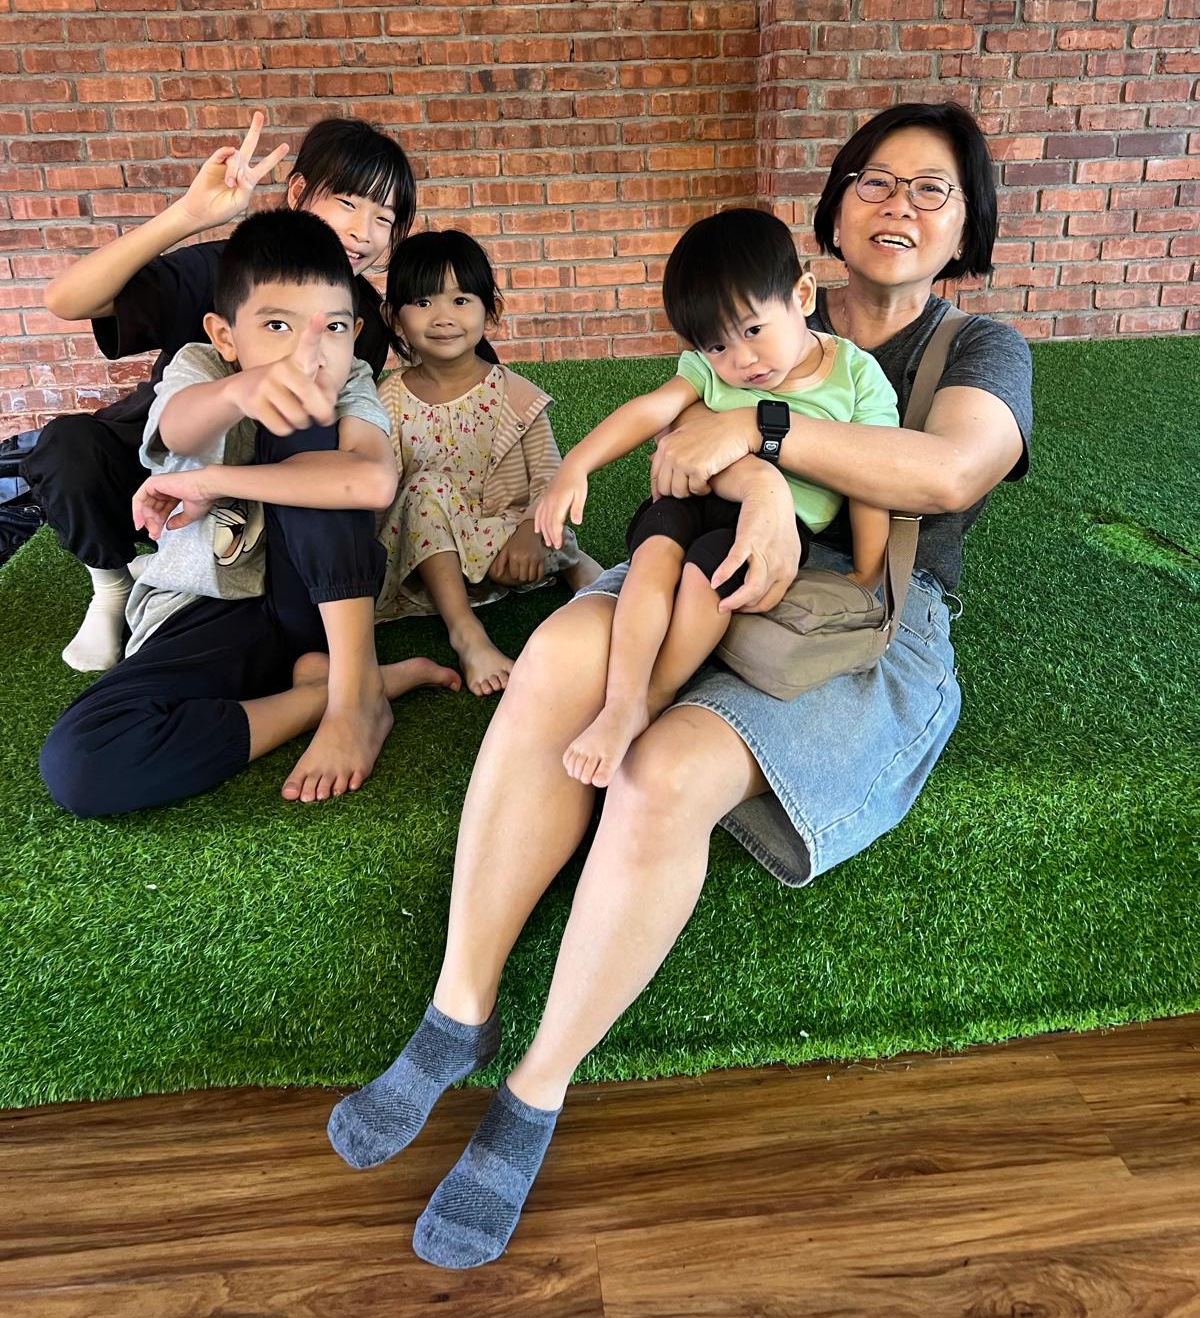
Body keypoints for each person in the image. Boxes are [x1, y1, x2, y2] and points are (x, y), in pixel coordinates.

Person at [324, 100, 1034, 1270]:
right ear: (830, 215)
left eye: (932, 189)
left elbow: (948, 472)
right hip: (702, 563)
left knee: (662, 772)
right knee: (559, 653)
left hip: (857, 617)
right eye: (874, 179)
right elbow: (670, 437)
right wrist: (730, 470)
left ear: (969, 222)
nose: (899, 205)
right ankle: (458, 1011)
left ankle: (534, 1091)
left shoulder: (977, 349)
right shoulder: (742, 314)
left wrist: (762, 440)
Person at [38, 209, 460, 819]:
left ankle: (353, 702)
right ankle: (333, 692)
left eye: (333, 327)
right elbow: (179, 429)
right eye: (277, 325)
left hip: (314, 603)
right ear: (225, 335)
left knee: (311, 431)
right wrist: (242, 391)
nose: (307, 354)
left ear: (356, 331)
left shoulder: (350, 380)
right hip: (204, 613)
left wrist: (212, 481)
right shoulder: (200, 367)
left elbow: (370, 481)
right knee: (81, 761)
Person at [23, 112, 415, 674]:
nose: (363, 232)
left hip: (266, 480)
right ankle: (112, 586)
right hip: (169, 457)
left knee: (315, 439)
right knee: (67, 447)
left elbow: (357, 451)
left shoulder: (360, 320)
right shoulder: (228, 269)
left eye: (384, 218)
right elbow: (66, 300)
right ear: (298, 193)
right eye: (348, 203)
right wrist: (188, 215)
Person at [534, 207, 898, 786]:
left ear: (803, 295)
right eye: (716, 347)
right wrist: (576, 465)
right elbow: (653, 409)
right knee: (652, 559)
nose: (741, 361)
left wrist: (867, 571)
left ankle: (654, 695)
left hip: (769, 524)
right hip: (693, 490)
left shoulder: (855, 375)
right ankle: (622, 700)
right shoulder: (710, 372)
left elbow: (871, 479)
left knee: (709, 579)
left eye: (752, 331)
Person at [374, 229, 601, 697]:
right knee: (425, 487)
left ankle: (580, 568)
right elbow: (381, 487)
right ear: (393, 317)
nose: (443, 317)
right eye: (423, 302)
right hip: (431, 555)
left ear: (490, 310)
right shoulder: (389, 398)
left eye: (461, 300)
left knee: (546, 527)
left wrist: (529, 531)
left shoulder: (516, 395)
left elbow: (551, 477)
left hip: (505, 543)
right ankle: (467, 634)